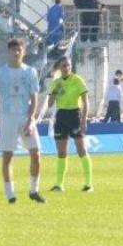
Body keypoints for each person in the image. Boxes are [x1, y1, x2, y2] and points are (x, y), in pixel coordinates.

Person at [0, 38, 43, 204]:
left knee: (36, 153)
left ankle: (34, 190)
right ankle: (10, 195)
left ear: (23, 52)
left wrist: (31, 120)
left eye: (19, 50)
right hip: (7, 117)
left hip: (25, 116)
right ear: (8, 52)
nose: (16, 53)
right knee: (8, 156)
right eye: (13, 50)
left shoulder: (30, 72)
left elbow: (34, 98)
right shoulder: (0, 73)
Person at [47, 56, 92, 193]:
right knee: (61, 152)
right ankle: (59, 184)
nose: (66, 68)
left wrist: (84, 120)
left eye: (68, 65)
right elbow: (49, 104)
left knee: (81, 150)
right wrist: (55, 92)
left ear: (71, 66)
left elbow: (85, 102)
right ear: (60, 68)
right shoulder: (56, 83)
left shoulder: (77, 80)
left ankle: (88, 184)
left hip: (75, 115)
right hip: (61, 116)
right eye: (64, 66)